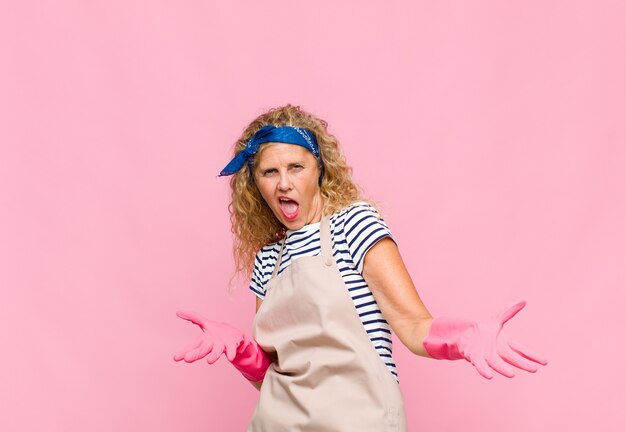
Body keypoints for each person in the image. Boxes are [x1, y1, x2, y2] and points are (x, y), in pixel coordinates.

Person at [173, 105, 548, 431]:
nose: (284, 183)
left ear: (318, 169)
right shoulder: (268, 258)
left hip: (360, 422)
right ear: (254, 182)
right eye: (269, 172)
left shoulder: (354, 225)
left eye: (296, 167)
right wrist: (240, 350)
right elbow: (273, 372)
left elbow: (413, 325)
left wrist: (462, 336)